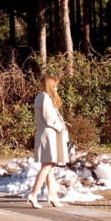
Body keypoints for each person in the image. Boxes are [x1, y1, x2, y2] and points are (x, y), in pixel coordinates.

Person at [27, 75, 69, 209]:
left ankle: (52, 196)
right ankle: (33, 194)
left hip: (47, 133)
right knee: (47, 165)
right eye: (55, 86)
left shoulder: (42, 97)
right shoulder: (44, 97)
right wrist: (60, 126)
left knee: (50, 166)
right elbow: (48, 118)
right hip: (49, 134)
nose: (56, 88)